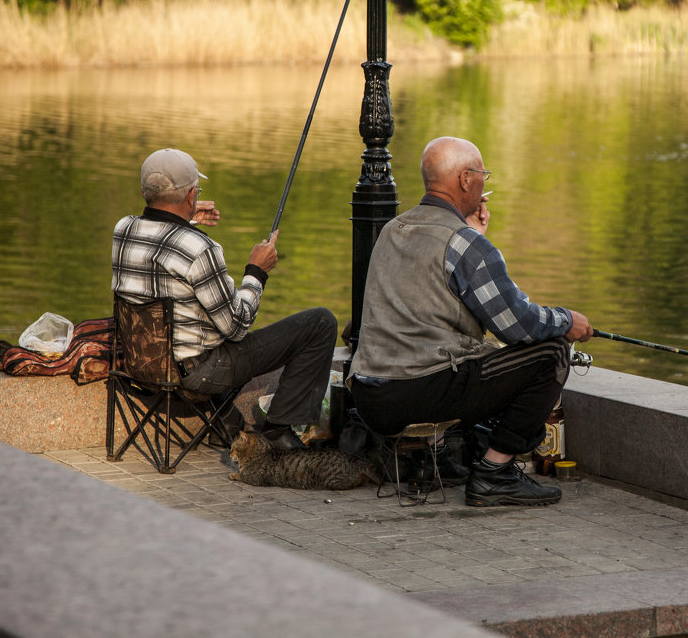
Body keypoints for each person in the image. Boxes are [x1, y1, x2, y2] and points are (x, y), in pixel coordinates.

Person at [348, 136, 593, 506]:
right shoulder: (466, 245)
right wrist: (566, 319)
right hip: (418, 394)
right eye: (482, 175)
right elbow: (517, 326)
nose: (483, 185)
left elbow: (427, 307)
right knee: (553, 351)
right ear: (465, 179)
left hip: (370, 398)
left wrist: (472, 237)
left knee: (444, 349)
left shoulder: (391, 230)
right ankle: (494, 473)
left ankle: (435, 460)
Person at [111, 148, 338, 450]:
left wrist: (186, 220)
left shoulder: (123, 230)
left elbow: (159, 245)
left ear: (144, 192)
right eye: (196, 192)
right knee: (320, 322)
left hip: (140, 367)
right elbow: (236, 327)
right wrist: (256, 272)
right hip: (196, 377)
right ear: (191, 195)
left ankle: (229, 420)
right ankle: (278, 430)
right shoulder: (201, 249)